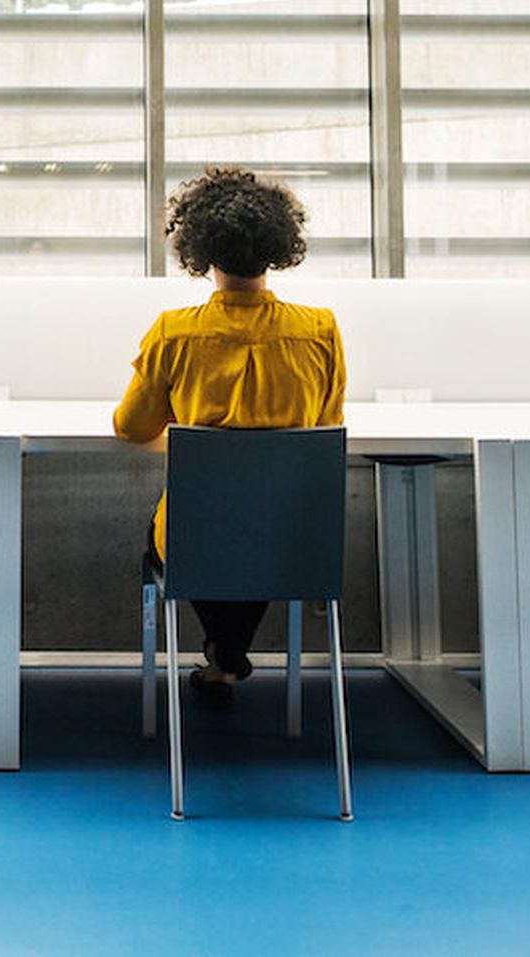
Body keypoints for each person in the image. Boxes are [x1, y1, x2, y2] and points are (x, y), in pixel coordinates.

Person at [113, 166, 346, 706]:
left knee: (199, 531)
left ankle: (224, 655)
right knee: (257, 529)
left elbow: (131, 427)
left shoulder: (176, 330)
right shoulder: (320, 330)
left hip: (199, 541)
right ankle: (225, 656)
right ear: (278, 247)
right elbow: (325, 426)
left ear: (200, 251)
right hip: (293, 542)